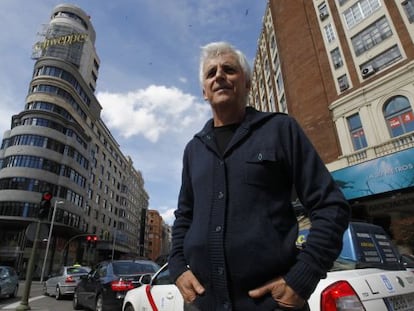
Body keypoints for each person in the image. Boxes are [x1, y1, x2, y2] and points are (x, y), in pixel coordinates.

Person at [169, 41, 350, 311]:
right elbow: (184, 216)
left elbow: (330, 206)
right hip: (202, 304)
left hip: (273, 305)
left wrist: (303, 277)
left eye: (229, 69)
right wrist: (177, 268)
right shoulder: (193, 150)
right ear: (204, 92)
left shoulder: (280, 129)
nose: (219, 75)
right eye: (211, 73)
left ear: (248, 83)